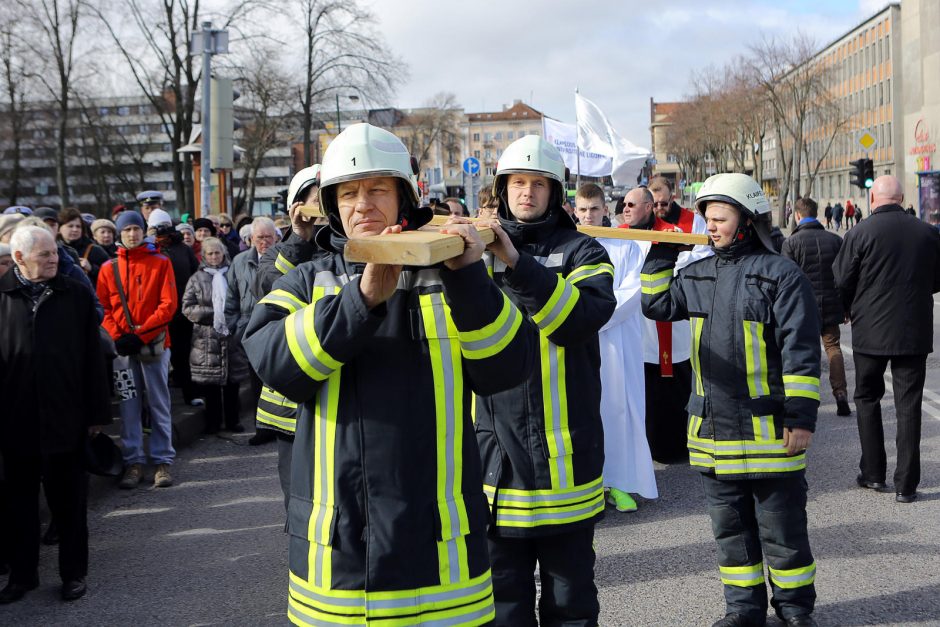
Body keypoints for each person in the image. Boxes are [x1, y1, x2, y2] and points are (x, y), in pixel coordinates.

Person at [244, 123, 534, 626]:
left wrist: (468, 279)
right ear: (332, 207)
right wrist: (361, 300)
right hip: (341, 564)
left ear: (404, 197)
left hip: (441, 557)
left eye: (377, 189)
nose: (363, 205)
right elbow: (272, 362)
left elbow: (508, 367)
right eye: (349, 193)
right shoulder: (308, 280)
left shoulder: (455, 277)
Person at [643, 173, 821, 627]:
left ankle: (795, 609)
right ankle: (743, 610)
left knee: (783, 533)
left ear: (747, 219)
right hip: (713, 438)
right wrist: (663, 252)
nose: (712, 226)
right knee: (732, 534)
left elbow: (801, 352)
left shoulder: (781, 275)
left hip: (769, 435)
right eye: (707, 218)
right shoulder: (697, 272)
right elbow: (656, 305)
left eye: (721, 218)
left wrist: (801, 417)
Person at [475, 135, 615, 626]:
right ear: (502, 188)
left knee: (570, 601)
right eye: (517, 183)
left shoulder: (585, 251)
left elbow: (576, 320)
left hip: (565, 458)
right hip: (496, 460)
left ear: (554, 193)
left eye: (537, 183)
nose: (527, 193)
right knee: (502, 602)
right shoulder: (471, 253)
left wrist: (516, 261)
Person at [0, 226, 111, 604]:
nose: (55, 259)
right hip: (15, 421)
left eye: (54, 253)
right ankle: (22, 575)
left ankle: (73, 574)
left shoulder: (75, 292)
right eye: (45, 255)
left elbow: (93, 359)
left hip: (67, 416)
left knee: (69, 503)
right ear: (19, 259)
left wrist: (97, 413)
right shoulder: (1, 297)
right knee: (19, 503)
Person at [833, 176, 940, 503]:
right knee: (909, 405)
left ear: (873, 199)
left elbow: (841, 279)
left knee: (867, 398)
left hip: (869, 331)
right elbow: (937, 278)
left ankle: (874, 474)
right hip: (913, 329)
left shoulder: (859, 232)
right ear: (902, 197)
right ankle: (906, 485)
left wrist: (849, 308)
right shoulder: (927, 232)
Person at [574, 183, 654, 513]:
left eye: (594, 208)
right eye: (582, 209)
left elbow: (632, 291)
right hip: (580, 341)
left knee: (620, 411)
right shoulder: (571, 247)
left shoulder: (624, 246)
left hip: (617, 342)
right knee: (585, 412)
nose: (589, 215)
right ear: (574, 211)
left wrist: (593, 317)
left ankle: (621, 483)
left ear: (605, 209)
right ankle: (590, 485)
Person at [620, 185, 712, 463]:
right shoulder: (619, 236)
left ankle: (677, 445)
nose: (624, 209)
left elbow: (698, 258)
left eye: (631, 204)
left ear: (649, 207)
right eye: (624, 204)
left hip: (672, 327)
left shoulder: (677, 230)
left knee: (675, 388)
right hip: (638, 328)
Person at [96, 211, 178, 489]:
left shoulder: (161, 262)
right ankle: (133, 461)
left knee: (158, 402)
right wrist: (118, 336)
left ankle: (163, 460)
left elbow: (168, 305)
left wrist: (141, 333)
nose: (132, 234)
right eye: (127, 229)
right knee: (128, 404)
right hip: (123, 349)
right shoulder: (109, 268)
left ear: (145, 231)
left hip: (154, 346)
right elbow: (103, 306)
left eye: (137, 229)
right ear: (120, 233)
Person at [782, 197, 851, 417]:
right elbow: (845, 276)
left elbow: (786, 281)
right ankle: (840, 393)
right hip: (832, 305)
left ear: (798, 216)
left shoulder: (791, 243)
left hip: (803, 308)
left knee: (805, 352)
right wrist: (846, 306)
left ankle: (807, 401)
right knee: (833, 348)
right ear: (817, 212)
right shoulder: (835, 240)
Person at [224, 216, 279, 433]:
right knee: (256, 382)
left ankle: (282, 427)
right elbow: (231, 296)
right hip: (249, 329)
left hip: (277, 327)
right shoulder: (239, 262)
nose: (264, 242)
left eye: (268, 237)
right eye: (259, 238)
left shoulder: (284, 258)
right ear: (250, 239)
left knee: (277, 379)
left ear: (276, 238)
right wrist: (234, 327)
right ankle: (262, 428)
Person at [182, 237, 241, 433]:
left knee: (232, 384)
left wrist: (230, 314)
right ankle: (213, 423)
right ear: (204, 256)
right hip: (206, 338)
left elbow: (242, 299)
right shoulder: (196, 278)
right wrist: (214, 312)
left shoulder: (233, 274)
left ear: (223, 253)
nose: (214, 257)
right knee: (211, 386)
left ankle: (233, 421)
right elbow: (188, 308)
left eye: (217, 252)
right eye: (210, 253)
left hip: (231, 335)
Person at [149, 208, 202, 407]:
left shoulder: (183, 249)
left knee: (183, 354)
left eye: (164, 225)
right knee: (157, 358)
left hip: (181, 311)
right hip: (157, 313)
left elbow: (194, 276)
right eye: (157, 226)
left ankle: (190, 394)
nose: (162, 230)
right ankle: (159, 401)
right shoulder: (150, 248)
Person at [57, 207, 110, 286]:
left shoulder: (95, 250)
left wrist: (92, 268)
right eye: (70, 226)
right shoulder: (55, 250)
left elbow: (111, 275)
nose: (75, 229)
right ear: (59, 228)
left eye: (78, 226)